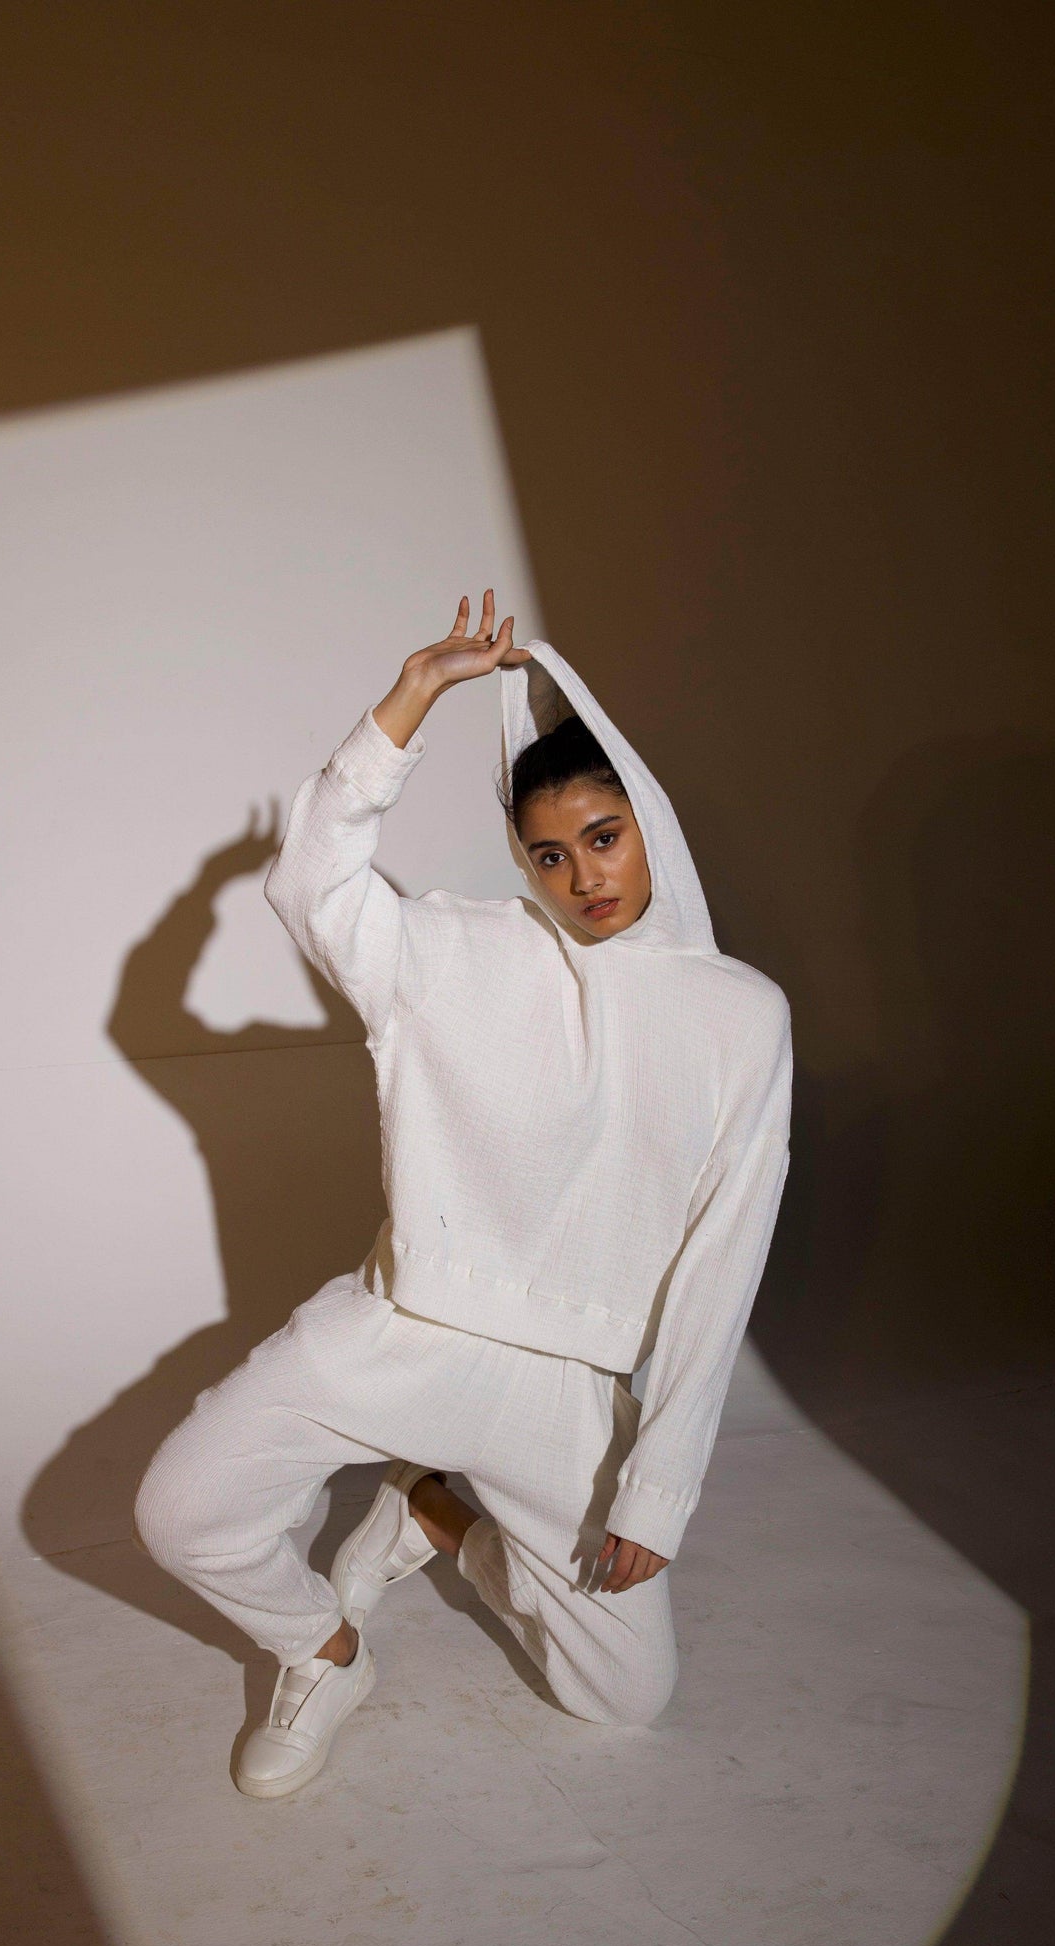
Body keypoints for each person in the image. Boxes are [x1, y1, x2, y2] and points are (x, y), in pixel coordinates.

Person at [135, 593, 792, 1799]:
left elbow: (723, 1257)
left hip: (564, 1391)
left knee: (623, 1697)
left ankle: (435, 1517)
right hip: (403, 1329)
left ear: (648, 823)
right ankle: (322, 1652)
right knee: (180, 1510)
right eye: (548, 854)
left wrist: (657, 1484)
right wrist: (410, 697)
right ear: (520, 861)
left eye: (604, 836)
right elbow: (311, 887)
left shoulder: (741, 1017)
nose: (582, 874)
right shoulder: (457, 953)